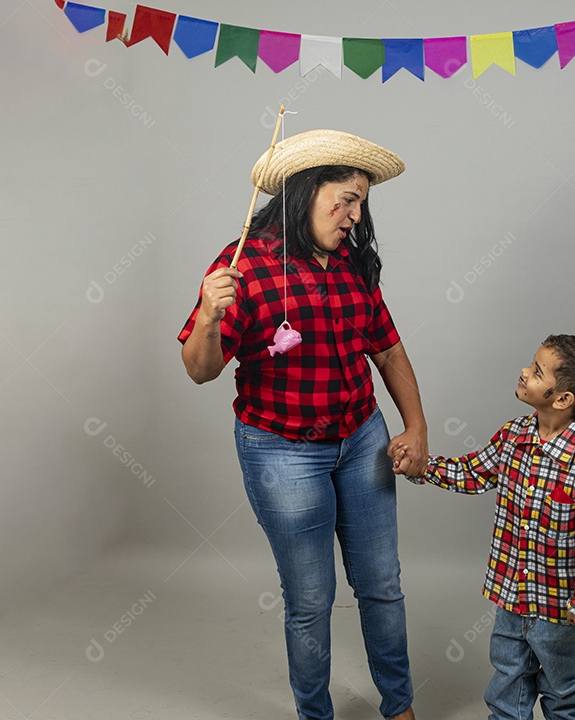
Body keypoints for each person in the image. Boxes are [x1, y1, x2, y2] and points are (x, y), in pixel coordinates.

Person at [178, 129, 426, 720]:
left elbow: (388, 351)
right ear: (305, 192)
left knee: (382, 585)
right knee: (312, 600)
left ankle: (400, 707)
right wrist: (211, 317)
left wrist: (414, 428)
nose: (354, 215)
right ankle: (316, 714)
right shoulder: (243, 263)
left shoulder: (354, 264)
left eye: (361, 201)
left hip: (361, 435)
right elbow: (199, 371)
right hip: (282, 450)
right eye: (345, 198)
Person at [391, 334, 575, 720]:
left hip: (559, 610)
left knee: (564, 689)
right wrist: (423, 467)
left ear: (562, 399)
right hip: (511, 597)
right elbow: (473, 472)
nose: (524, 372)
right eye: (531, 364)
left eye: (536, 371)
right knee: (508, 680)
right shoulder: (514, 435)